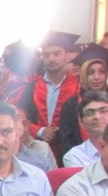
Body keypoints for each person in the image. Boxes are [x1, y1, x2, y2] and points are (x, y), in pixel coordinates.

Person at [19, 31, 81, 159]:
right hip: (37, 152)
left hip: (70, 151)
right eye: (46, 55)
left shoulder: (79, 86)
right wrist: (40, 131)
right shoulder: (32, 87)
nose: (51, 58)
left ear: (67, 56)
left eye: (56, 53)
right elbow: (19, 117)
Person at [57, 45, 108, 157]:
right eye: (90, 73)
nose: (96, 77)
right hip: (80, 160)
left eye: (102, 72)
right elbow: (66, 139)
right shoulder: (71, 104)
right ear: (83, 74)